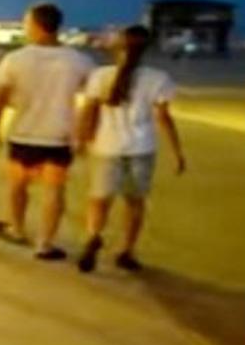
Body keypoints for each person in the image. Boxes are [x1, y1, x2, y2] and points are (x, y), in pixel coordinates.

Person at [0, 2, 96, 260]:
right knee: (54, 190)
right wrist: (86, 133)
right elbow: (94, 97)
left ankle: (17, 228)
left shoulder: (16, 59)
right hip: (59, 135)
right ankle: (45, 243)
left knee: (18, 185)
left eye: (26, 22)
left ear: (35, 25)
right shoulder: (79, 61)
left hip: (23, 133)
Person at [73, 24, 185, 273]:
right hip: (141, 148)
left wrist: (81, 140)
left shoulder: (100, 75)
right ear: (147, 49)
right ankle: (126, 251)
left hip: (106, 146)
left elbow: (88, 111)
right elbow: (164, 118)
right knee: (134, 203)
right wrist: (177, 152)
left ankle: (93, 236)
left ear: (119, 47)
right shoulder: (158, 78)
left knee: (99, 199)